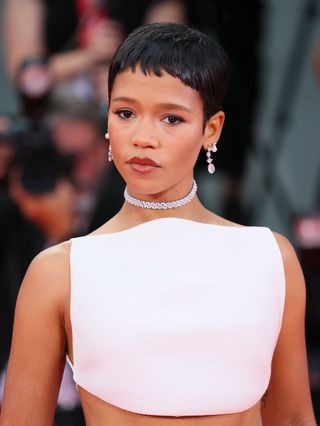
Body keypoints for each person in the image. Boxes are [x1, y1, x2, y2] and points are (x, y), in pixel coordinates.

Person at [0, 23, 316, 425]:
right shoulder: (58, 272)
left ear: (211, 129)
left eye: (171, 119)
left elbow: (292, 418)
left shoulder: (271, 259)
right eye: (126, 113)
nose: (143, 137)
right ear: (108, 117)